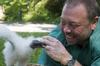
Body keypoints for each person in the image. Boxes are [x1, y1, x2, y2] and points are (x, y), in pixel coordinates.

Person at [38, 0, 100, 66]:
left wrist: (67, 59)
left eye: (73, 25)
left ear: (93, 22)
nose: (65, 30)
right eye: (63, 22)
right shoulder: (55, 39)